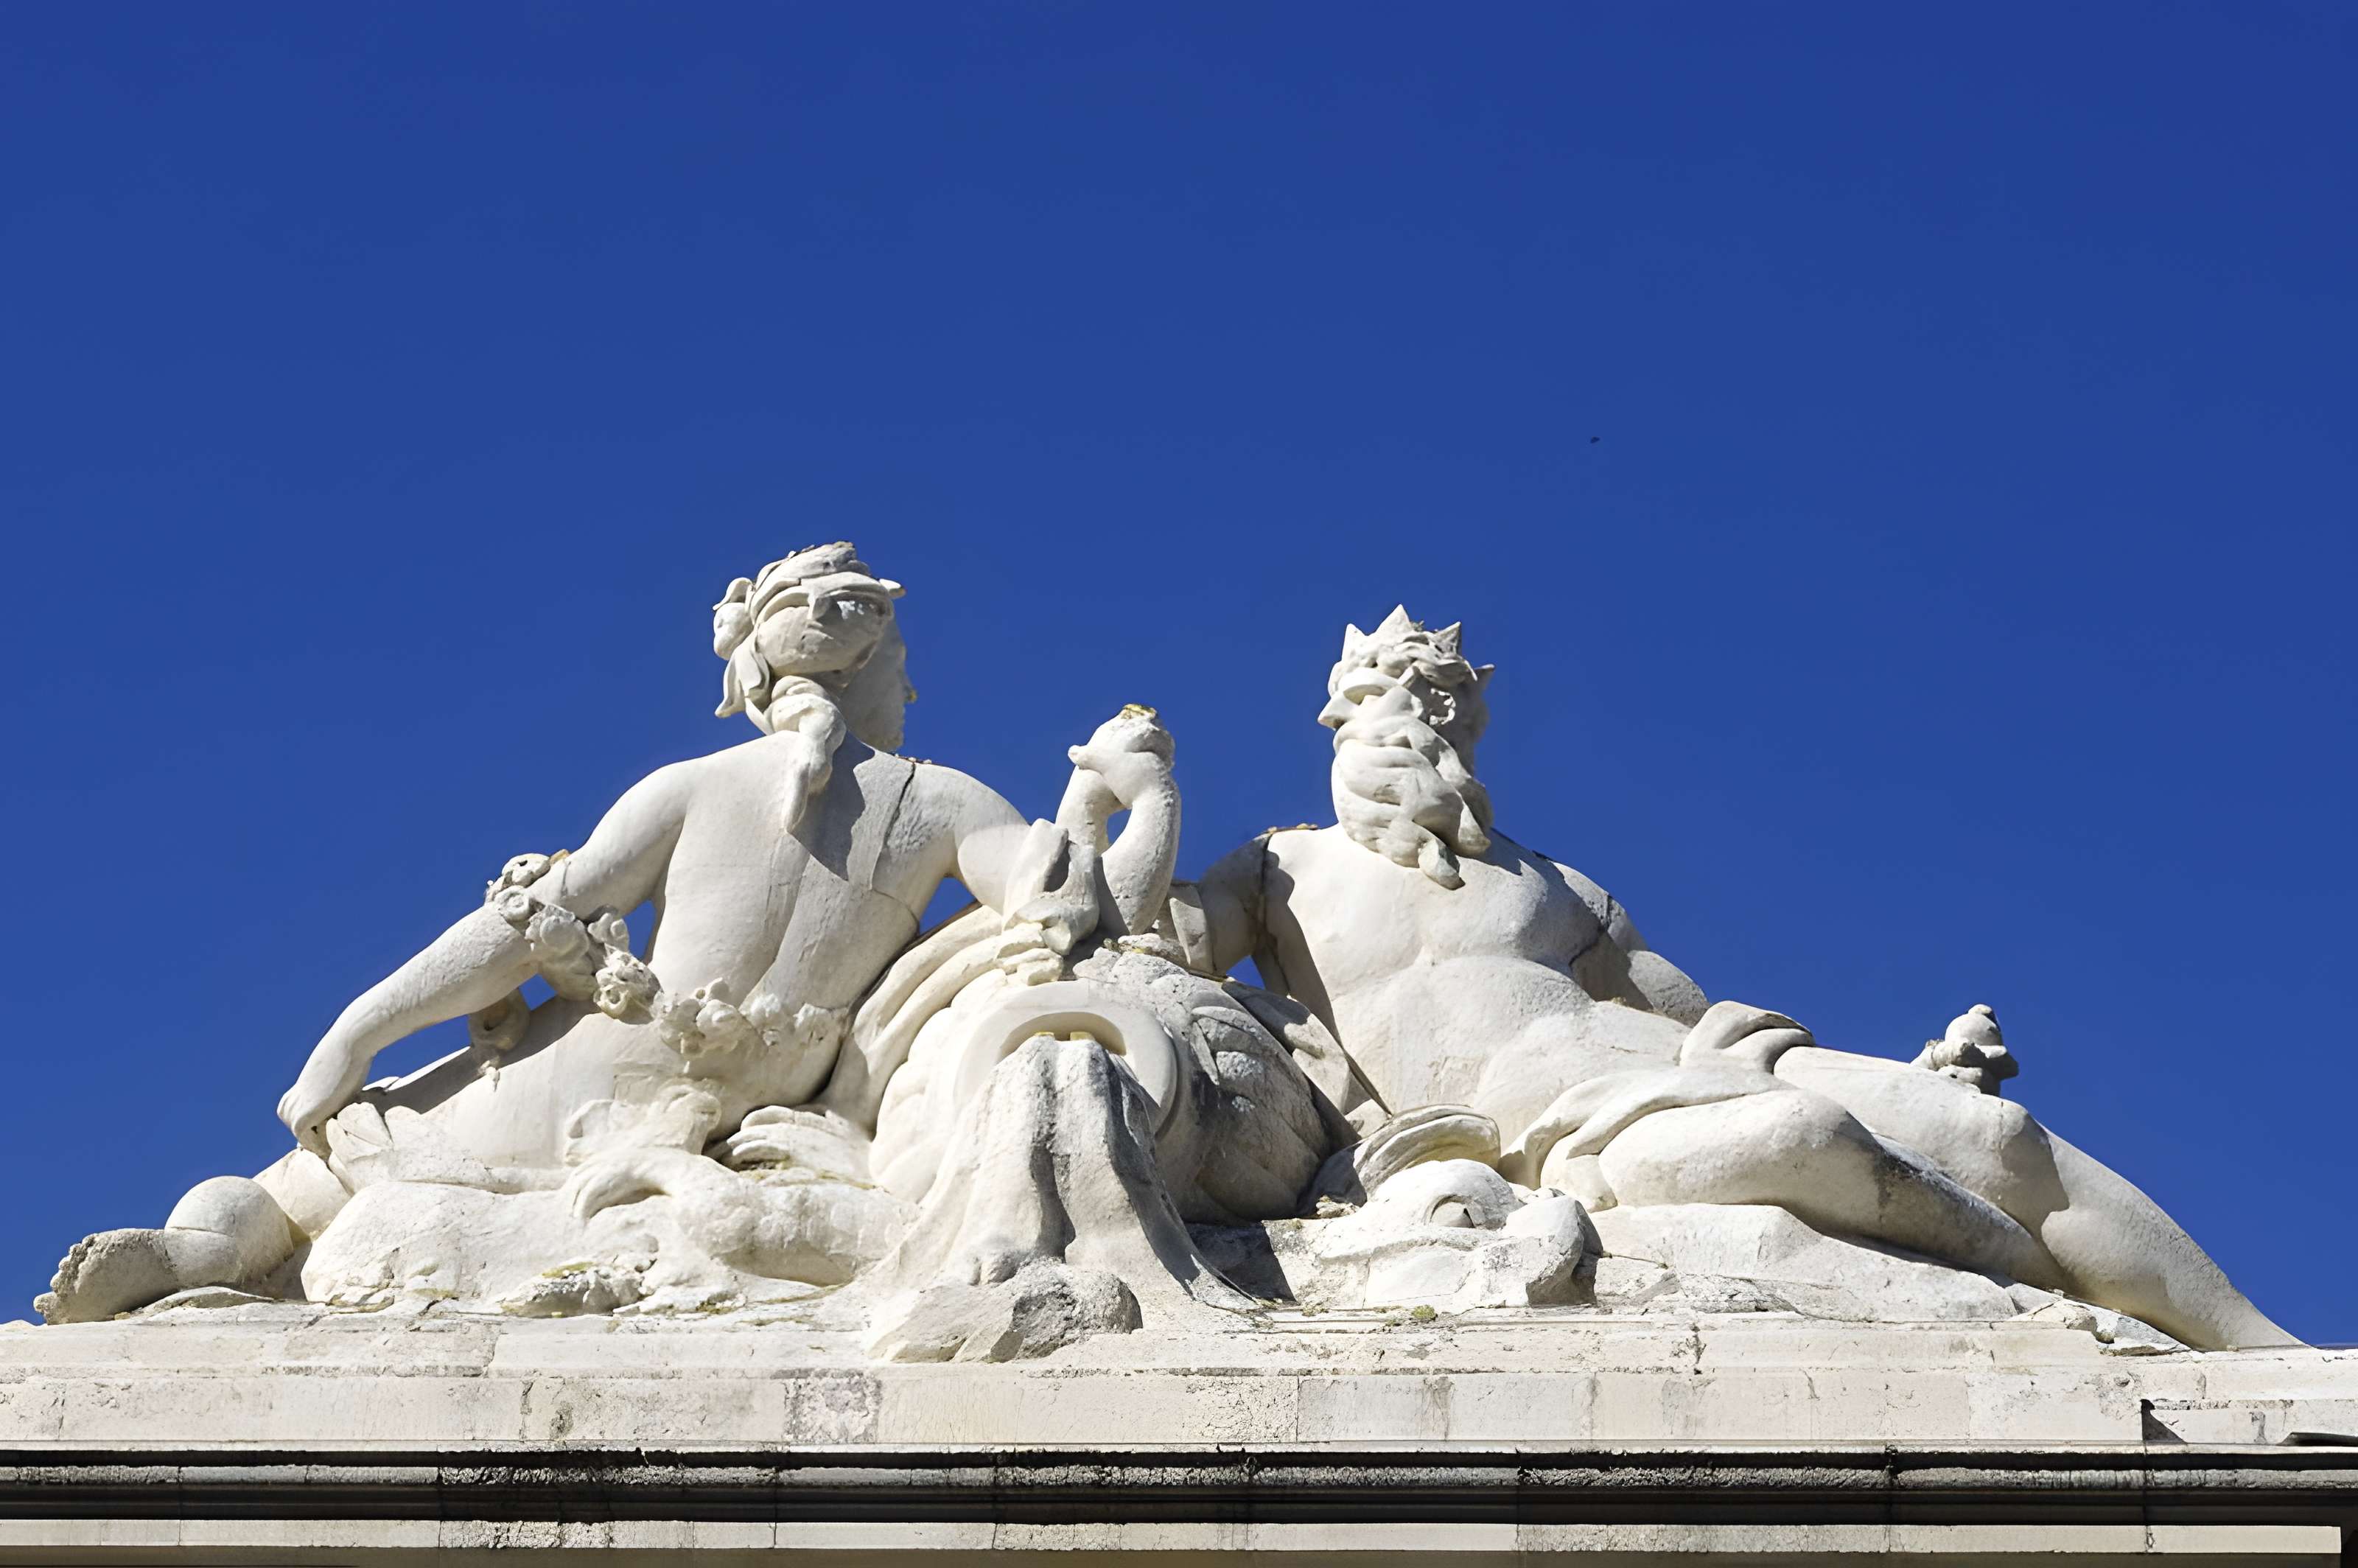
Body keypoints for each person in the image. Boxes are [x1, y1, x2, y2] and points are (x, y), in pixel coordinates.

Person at [38, 543, 1178, 1323]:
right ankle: (191, 1257)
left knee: (305, 1191)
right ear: (874, 656)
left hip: (640, 1090)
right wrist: (1135, 795)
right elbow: (1085, 915)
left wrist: (361, 1029)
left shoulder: (762, 789)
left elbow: (530, 929)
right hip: (673, 1095)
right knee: (306, 1193)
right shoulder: (925, 802)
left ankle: (197, 1252)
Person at [1173, 608, 2295, 1350]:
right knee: (1805, 1140)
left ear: (1460, 722)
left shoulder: (1559, 887)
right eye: (1373, 707)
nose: (1398, 729)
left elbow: (1691, 1013)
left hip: (1657, 1066)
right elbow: (1144, 946)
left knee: (1995, 1138)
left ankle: (2273, 1359)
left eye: (1429, 706)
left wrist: (1908, 1073)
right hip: (1535, 1142)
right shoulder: (1278, 866)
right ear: (1337, 724)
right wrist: (1126, 805)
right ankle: (2035, 1291)